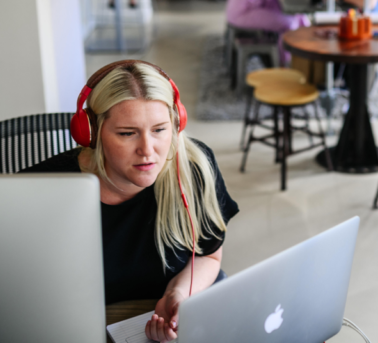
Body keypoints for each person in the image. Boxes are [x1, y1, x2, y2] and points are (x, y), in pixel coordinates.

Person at [22, 60, 239, 343]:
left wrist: (179, 293)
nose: (148, 151)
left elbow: (209, 255)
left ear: (177, 123)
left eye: (160, 130)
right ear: (92, 132)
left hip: (161, 322)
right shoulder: (41, 189)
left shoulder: (194, 169)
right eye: (127, 133)